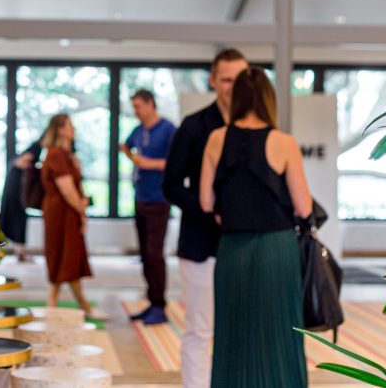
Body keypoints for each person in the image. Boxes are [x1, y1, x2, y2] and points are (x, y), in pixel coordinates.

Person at [199, 68, 312, 388]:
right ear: (268, 98)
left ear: (236, 98)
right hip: (277, 249)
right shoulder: (284, 142)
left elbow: (206, 202)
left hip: (232, 248)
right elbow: (304, 207)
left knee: (233, 334)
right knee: (279, 333)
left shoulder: (216, 138)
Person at [163, 48, 249, 388]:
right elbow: (171, 185)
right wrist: (209, 211)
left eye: (240, 79)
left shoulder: (258, 127)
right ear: (213, 81)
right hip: (200, 244)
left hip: (246, 245)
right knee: (199, 330)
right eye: (227, 80)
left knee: (241, 331)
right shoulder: (193, 126)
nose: (234, 87)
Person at [121, 89, 176, 325]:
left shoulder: (167, 129)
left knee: (155, 254)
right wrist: (135, 160)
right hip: (140, 198)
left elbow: (176, 162)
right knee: (145, 254)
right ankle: (152, 301)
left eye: (138, 106)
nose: (135, 111)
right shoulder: (139, 130)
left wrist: (149, 164)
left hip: (159, 200)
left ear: (151, 104)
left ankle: (159, 305)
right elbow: (125, 146)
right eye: (133, 107)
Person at [40, 113, 102, 318]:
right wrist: (81, 211)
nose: (74, 129)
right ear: (61, 130)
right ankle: (76, 305)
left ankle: (58, 303)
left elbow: (75, 186)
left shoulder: (66, 154)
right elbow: (67, 190)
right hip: (61, 211)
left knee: (68, 256)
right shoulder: (57, 154)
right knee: (64, 254)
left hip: (67, 210)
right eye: (70, 126)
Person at [2, 131, 45, 263]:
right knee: (19, 215)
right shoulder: (37, 147)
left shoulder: (37, 147)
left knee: (18, 216)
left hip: (16, 182)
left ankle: (20, 251)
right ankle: (19, 251)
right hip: (17, 184)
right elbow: (22, 162)